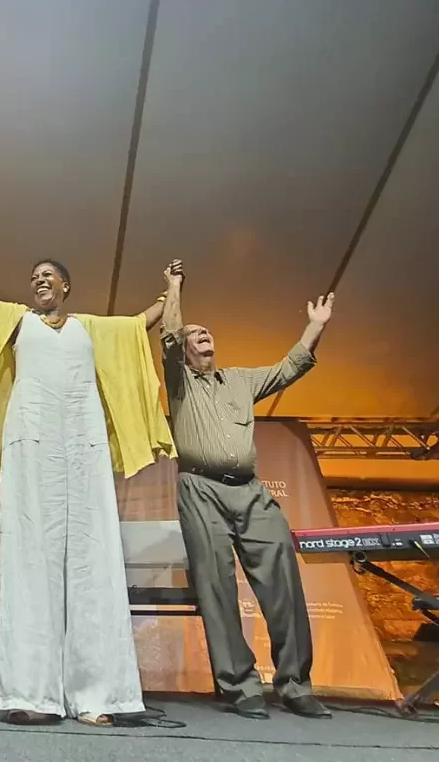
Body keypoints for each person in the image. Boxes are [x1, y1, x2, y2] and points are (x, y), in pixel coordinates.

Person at [0, 234, 176, 726]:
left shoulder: (90, 328)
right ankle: (31, 694)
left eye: (48, 276)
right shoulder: (18, 321)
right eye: (34, 277)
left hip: (82, 445)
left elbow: (140, 325)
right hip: (33, 441)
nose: (40, 281)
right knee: (29, 559)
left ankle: (98, 696)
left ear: (66, 285)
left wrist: (172, 289)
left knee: (92, 560)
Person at [160, 261, 335, 720]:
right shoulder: (180, 384)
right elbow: (170, 333)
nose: (202, 335)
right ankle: (240, 687)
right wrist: (174, 287)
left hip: (250, 492)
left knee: (283, 580)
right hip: (200, 490)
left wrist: (313, 328)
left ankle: (296, 685)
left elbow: (288, 368)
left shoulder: (239, 380)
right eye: (194, 333)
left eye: (206, 332)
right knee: (215, 586)